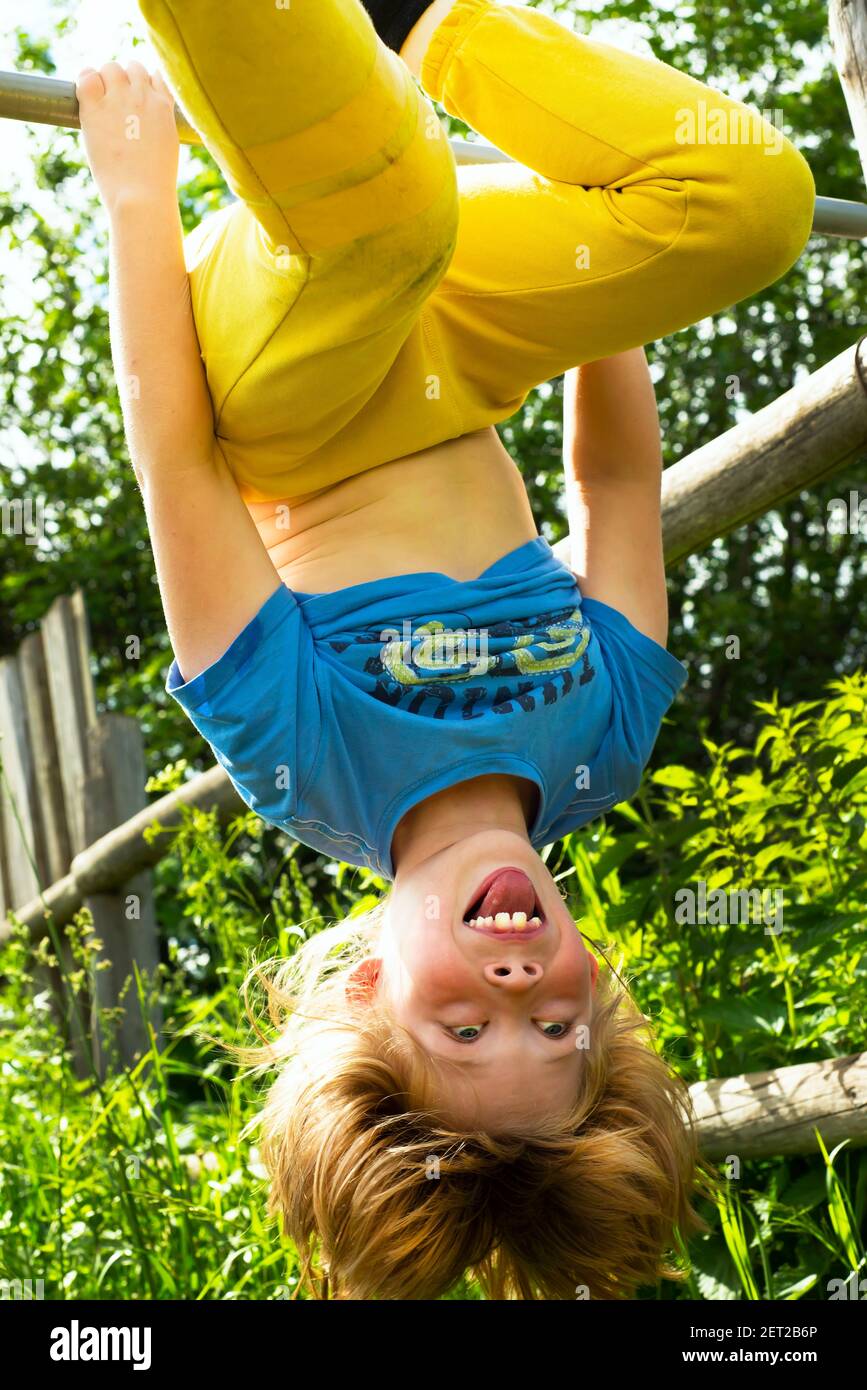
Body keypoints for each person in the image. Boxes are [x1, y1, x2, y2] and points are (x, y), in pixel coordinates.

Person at [76, 0, 814, 1298]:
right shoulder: (603, 734)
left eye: (466, 1024)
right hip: (462, 347)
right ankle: (432, 26)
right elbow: (619, 494)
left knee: (388, 212)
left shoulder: (308, 765)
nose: (521, 980)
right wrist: (603, 276)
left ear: (369, 982)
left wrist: (137, 196)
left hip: (291, 385)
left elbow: (176, 459)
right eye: (558, 1022)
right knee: (752, 205)